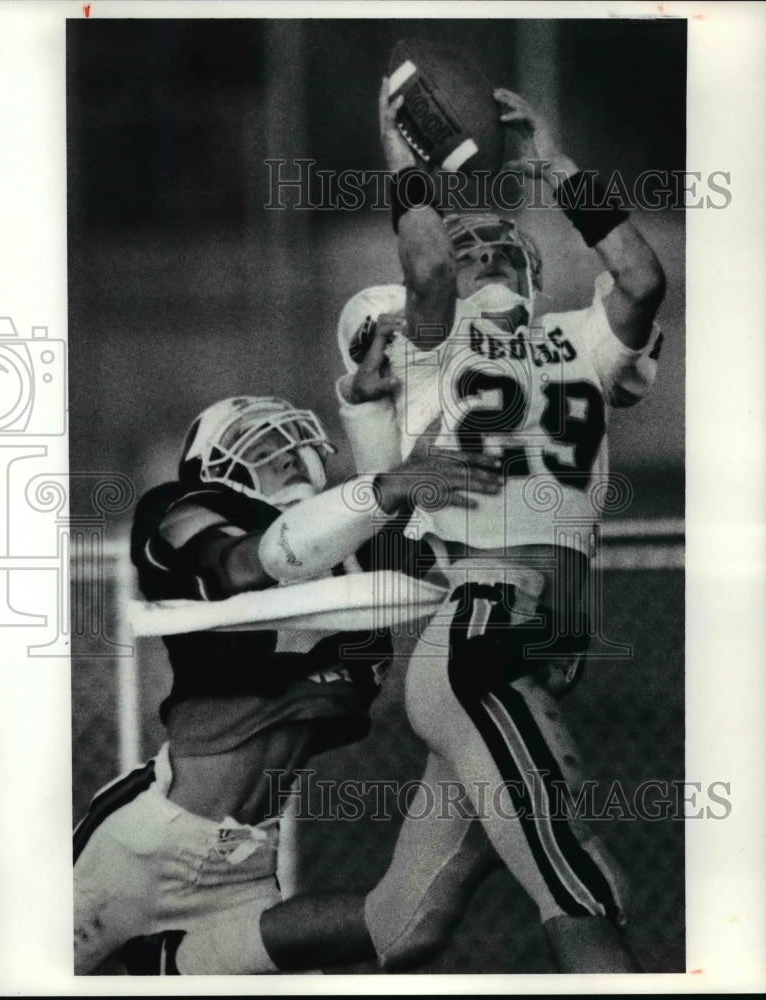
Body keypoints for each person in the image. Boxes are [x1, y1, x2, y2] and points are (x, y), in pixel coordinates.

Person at [328, 81, 667, 972]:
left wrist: (556, 167)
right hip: (483, 631)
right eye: (466, 244)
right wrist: (406, 164)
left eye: (498, 244)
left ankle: (192, 959)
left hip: (540, 641)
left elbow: (641, 276)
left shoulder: (580, 338)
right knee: (582, 881)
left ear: (533, 268)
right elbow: (427, 269)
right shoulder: (434, 342)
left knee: (404, 922)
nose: (481, 252)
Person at [73, 393, 502, 975]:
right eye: (269, 445)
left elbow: (430, 530)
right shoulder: (180, 505)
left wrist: (370, 407)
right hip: (145, 844)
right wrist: (375, 492)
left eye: (299, 446)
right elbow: (241, 563)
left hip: (245, 862)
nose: (293, 457)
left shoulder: (350, 549)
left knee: (410, 929)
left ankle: (159, 965)